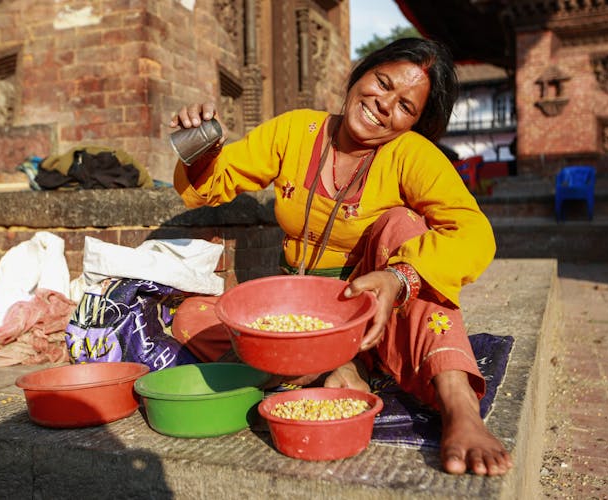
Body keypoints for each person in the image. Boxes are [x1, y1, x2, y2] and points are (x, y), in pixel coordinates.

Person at [168, 38, 513, 476]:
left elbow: (474, 233)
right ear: (360, 74)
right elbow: (212, 184)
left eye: (405, 106)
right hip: (298, 317)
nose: (384, 104)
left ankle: (459, 405)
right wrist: (200, 148)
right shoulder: (295, 131)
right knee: (193, 317)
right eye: (382, 82)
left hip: (368, 318)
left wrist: (399, 277)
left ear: (415, 122)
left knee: (403, 226)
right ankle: (331, 371)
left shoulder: (410, 155)